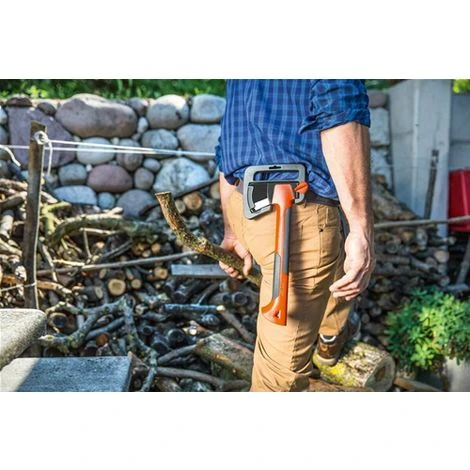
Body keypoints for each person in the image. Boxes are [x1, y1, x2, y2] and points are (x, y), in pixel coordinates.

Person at [215, 79, 376, 392]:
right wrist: (362, 228)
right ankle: (328, 337)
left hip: (251, 205)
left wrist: (232, 228)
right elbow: (341, 113)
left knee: (336, 252)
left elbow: (226, 144)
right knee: (277, 383)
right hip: (291, 219)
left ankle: (329, 336)